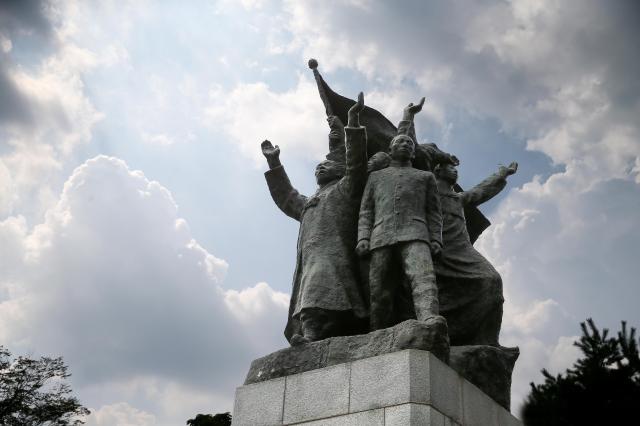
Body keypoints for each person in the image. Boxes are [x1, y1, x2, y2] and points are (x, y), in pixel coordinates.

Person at [262, 93, 369, 345]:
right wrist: (275, 163)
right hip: (310, 259)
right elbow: (287, 197)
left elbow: (356, 165)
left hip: (335, 255)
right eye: (318, 166)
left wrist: (352, 124)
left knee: (318, 289)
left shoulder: (345, 189)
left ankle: (312, 335)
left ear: (340, 171)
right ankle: (317, 332)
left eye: (326, 165)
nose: (319, 168)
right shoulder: (310, 201)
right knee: (314, 291)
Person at [356, 99, 444, 331]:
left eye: (409, 143)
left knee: (423, 278)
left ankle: (429, 319)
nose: (405, 144)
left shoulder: (425, 177)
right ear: (390, 149)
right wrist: (363, 238)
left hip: (416, 233)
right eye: (400, 141)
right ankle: (378, 330)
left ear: (414, 151)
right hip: (380, 236)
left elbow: (434, 212)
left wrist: (436, 238)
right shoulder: (376, 177)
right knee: (379, 288)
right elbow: (366, 210)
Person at [433, 161, 518, 346]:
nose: (455, 171)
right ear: (438, 170)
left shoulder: (457, 198)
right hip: (439, 249)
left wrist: (502, 174)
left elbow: (481, 190)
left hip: (462, 249)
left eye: (456, 169)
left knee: (492, 280)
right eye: (450, 167)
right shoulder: (427, 193)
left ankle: (488, 340)